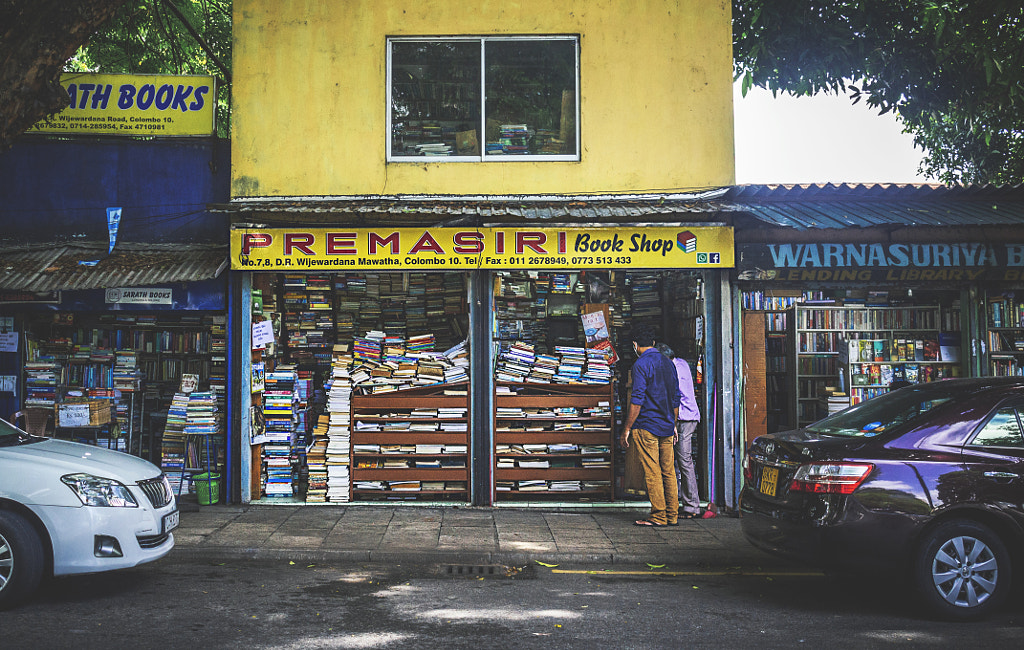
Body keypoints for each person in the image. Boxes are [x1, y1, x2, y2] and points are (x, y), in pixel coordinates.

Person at [620, 324, 680, 527]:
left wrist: (627, 428)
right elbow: (675, 398)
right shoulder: (669, 363)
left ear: (635, 345)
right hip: (666, 425)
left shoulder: (640, 365)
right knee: (668, 471)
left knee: (652, 472)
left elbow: (636, 400)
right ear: (653, 343)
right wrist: (674, 424)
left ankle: (659, 516)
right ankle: (672, 515)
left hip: (647, 425)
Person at [657, 343, 701, 519]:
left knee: (684, 461)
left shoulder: (672, 369)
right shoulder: (681, 363)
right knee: (677, 462)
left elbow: (675, 397)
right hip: (685, 417)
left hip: (685, 418)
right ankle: (678, 503)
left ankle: (692, 507)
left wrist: (672, 423)